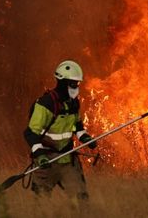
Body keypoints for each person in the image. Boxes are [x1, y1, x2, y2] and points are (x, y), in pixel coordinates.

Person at [23, 60, 95, 198]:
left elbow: (77, 126)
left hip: (68, 160)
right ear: (63, 83)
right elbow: (31, 133)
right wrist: (40, 155)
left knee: (80, 199)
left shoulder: (73, 103)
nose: (77, 86)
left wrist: (85, 137)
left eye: (78, 83)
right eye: (74, 83)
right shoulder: (46, 104)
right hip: (46, 162)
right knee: (40, 202)